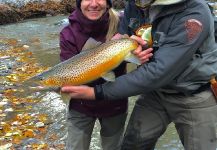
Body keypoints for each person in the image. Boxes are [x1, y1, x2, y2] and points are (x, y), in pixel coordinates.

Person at [61, 0, 217, 149]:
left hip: (193, 94)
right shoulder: (134, 4)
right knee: (132, 145)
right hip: (154, 94)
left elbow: (158, 72)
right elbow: (123, 37)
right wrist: (128, 48)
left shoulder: (194, 13)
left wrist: (96, 92)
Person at [59, 0, 152, 149]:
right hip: (81, 106)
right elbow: (67, 72)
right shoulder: (68, 33)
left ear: (108, 3)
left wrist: (141, 52)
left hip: (114, 103)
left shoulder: (124, 22)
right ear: (79, 3)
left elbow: (148, 38)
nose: (94, 4)